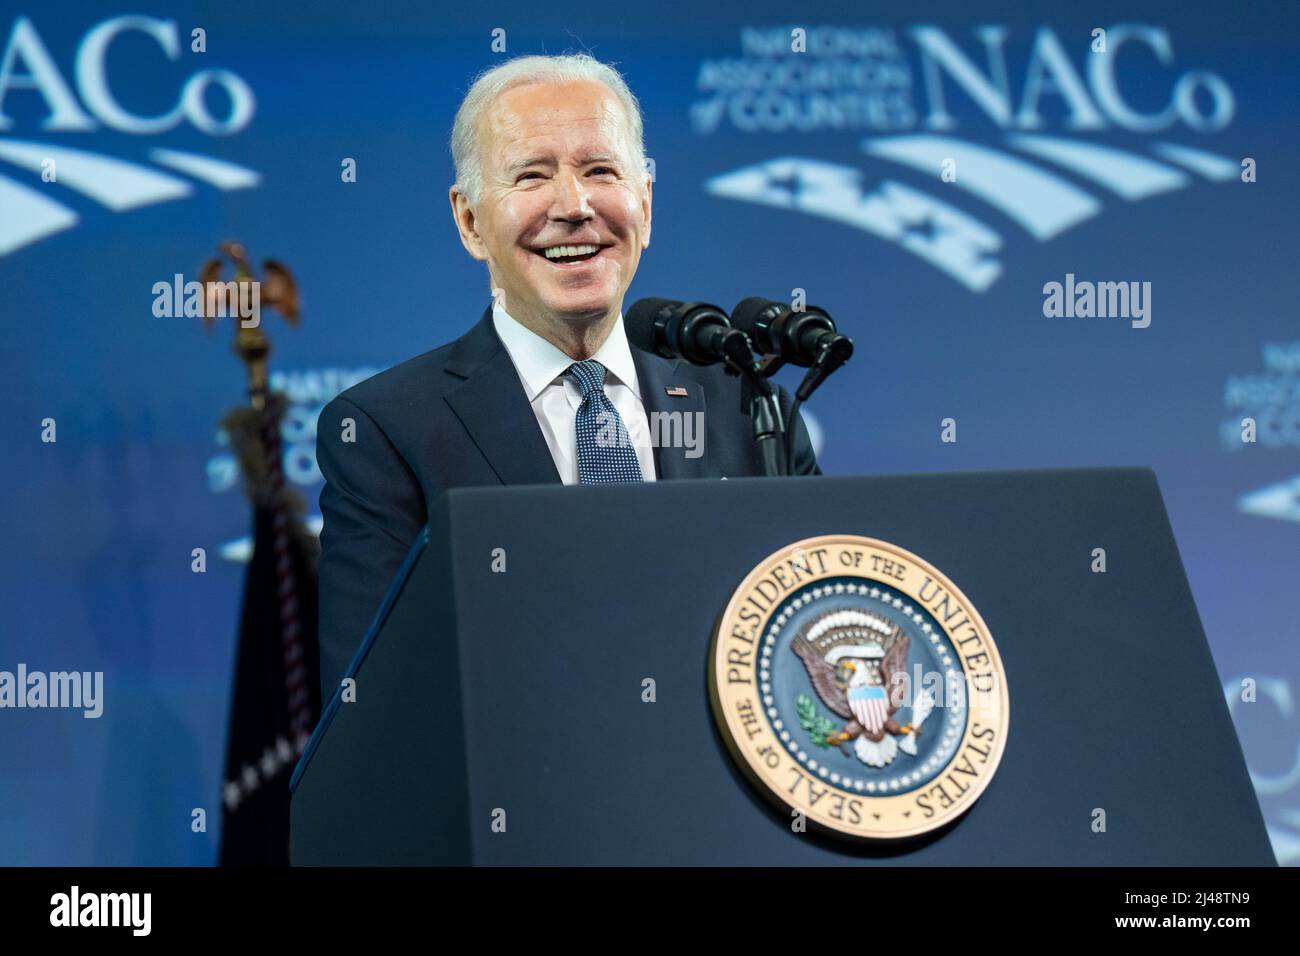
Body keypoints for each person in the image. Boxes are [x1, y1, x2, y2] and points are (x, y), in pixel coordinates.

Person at [315, 53, 819, 700]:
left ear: (645, 202)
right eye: (531, 175)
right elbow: (374, 705)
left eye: (600, 171)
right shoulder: (387, 431)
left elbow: (809, 648)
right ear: (469, 220)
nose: (574, 206)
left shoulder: (746, 410)